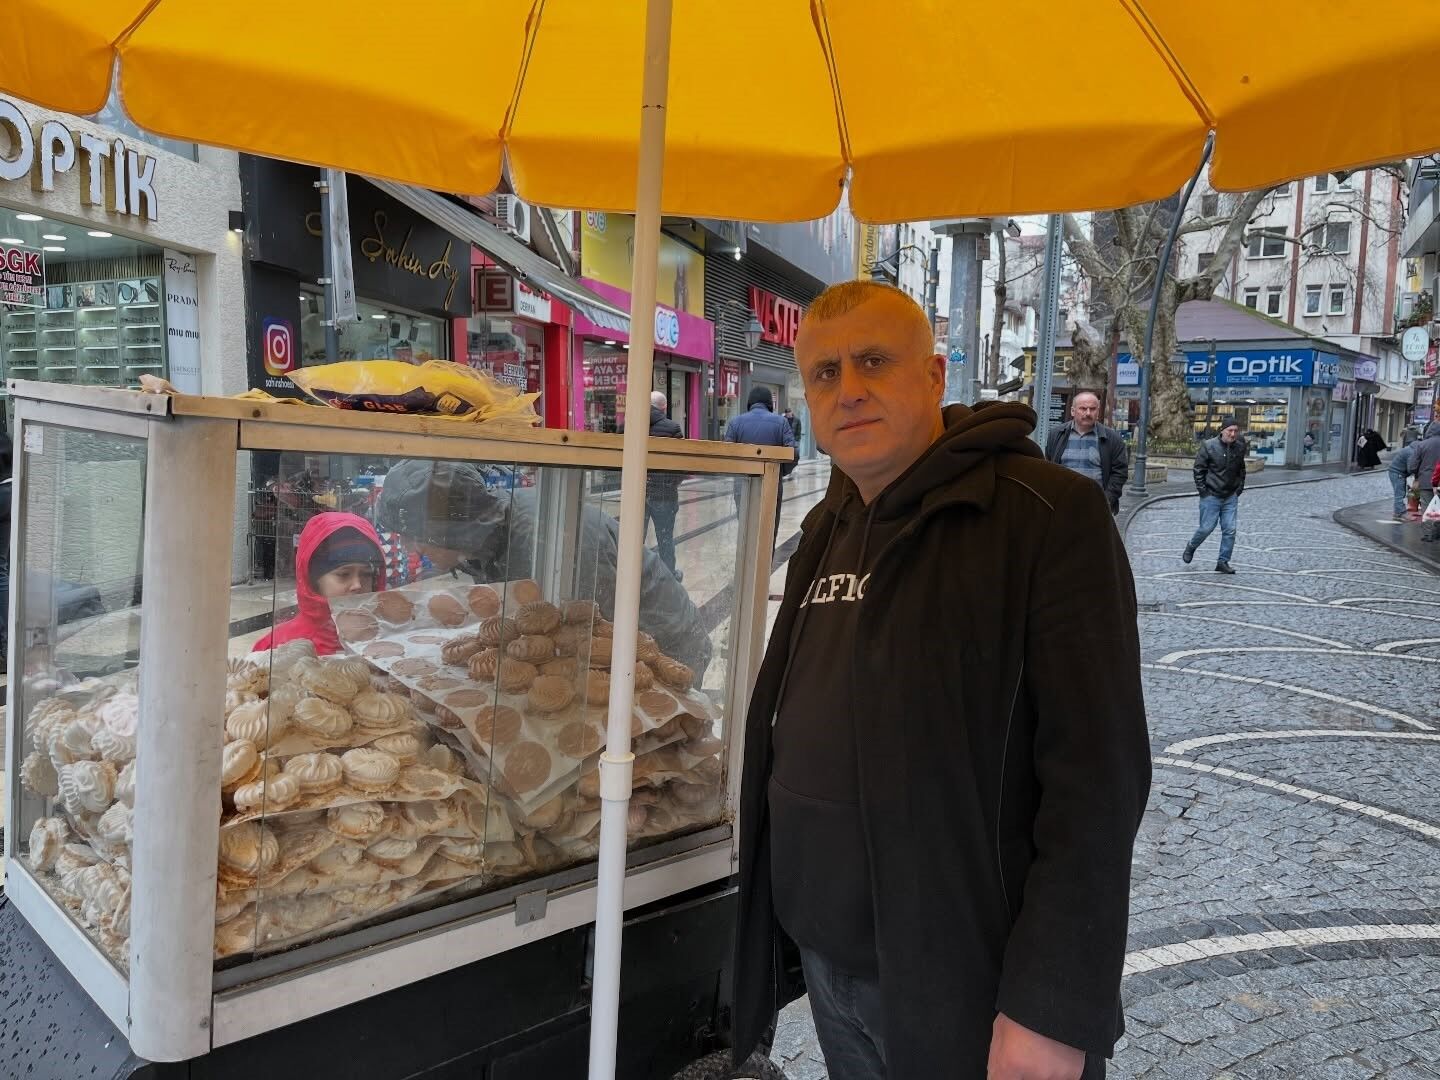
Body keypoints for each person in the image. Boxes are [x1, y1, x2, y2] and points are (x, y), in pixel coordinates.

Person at [731, 281, 1150, 1080]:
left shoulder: (1045, 515)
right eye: (824, 373)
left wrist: (1051, 1007)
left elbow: (1100, 779)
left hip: (964, 978)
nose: (848, 390)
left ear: (932, 375)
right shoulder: (829, 521)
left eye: (873, 362)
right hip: (828, 964)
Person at [376, 458, 711, 676]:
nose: (408, 548)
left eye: (412, 536)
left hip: (667, 647)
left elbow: (582, 635)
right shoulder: (482, 535)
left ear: (445, 530)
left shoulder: (547, 543)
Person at [253, 511, 386, 655]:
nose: (357, 585)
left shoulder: (389, 637)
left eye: (366, 574)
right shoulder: (276, 647)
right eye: (343, 574)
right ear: (314, 580)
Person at [724, 387, 797, 548]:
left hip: (743, 486)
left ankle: (746, 561)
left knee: (746, 529)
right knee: (769, 532)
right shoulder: (781, 422)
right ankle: (766, 563)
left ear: (750, 402)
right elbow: (793, 453)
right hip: (771, 486)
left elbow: (727, 455)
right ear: (770, 403)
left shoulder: (736, 422)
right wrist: (779, 472)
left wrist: (739, 472)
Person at [1044, 389, 1129, 513]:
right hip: (1062, 506)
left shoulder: (1112, 438)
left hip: (1097, 508)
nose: (1088, 413)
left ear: (1098, 412)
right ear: (1073, 411)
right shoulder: (1057, 435)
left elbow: (1120, 473)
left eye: (1092, 409)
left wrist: (1106, 501)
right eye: (1083, 408)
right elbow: (1048, 467)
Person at [1183, 417, 1247, 574]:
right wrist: (1203, 491)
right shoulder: (1209, 446)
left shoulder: (1239, 447)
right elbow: (1199, 469)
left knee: (1230, 529)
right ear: (1222, 430)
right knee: (1206, 528)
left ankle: (1223, 561)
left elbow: (1242, 469)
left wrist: (1239, 489)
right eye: (1230, 430)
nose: (1233, 434)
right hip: (1211, 495)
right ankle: (1191, 546)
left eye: (1235, 431)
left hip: (1230, 495)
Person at [643, 390, 684, 579]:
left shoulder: (628, 425)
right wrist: (670, 483)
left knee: (634, 538)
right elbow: (681, 464)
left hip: (637, 494)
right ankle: (668, 578)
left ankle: (634, 576)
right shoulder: (673, 428)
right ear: (664, 407)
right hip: (664, 495)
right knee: (665, 539)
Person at [1413, 421, 1440, 519]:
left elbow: (1413, 466)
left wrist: (1416, 476)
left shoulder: (1422, 445)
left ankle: (1429, 529)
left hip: (1426, 482)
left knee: (1427, 509)